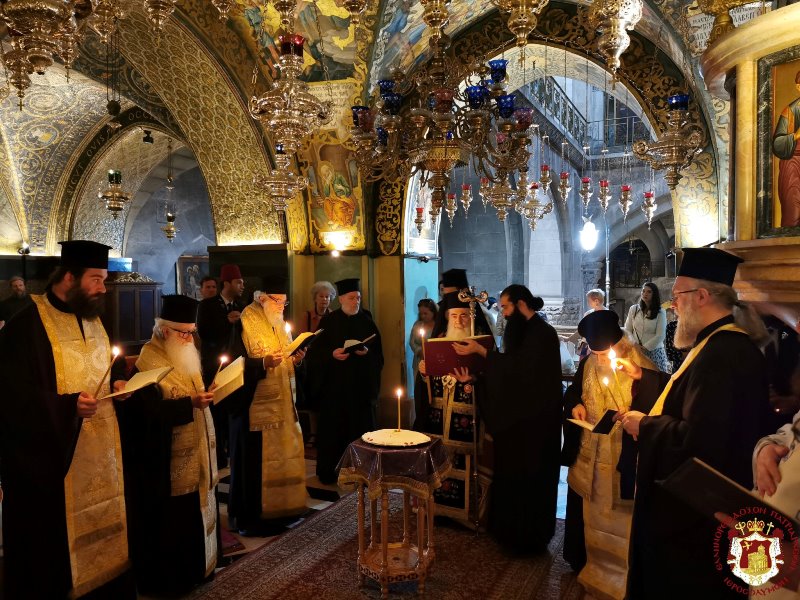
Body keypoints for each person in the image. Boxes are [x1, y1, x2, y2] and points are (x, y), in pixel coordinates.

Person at [618, 248, 772, 598]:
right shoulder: (717, 345)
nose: (672, 305)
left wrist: (645, 427)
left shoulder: (721, 354)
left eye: (677, 296)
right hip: (699, 515)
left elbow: (701, 442)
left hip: (693, 523)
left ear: (702, 296)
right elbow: (688, 402)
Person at [0, 240, 135, 599]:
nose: (102, 288)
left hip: (102, 454)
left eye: (104, 279)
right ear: (69, 277)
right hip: (51, 465)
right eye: (96, 279)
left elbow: (110, 364)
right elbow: (9, 396)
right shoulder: (26, 325)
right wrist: (66, 407)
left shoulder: (94, 320)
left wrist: (121, 381)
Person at [116, 295, 219, 595]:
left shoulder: (184, 354)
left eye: (191, 332)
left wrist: (207, 394)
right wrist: (190, 405)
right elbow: (144, 415)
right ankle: (174, 578)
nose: (189, 339)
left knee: (196, 510)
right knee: (174, 521)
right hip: (165, 463)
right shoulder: (148, 362)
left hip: (196, 450)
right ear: (164, 331)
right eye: (183, 333)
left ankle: (199, 567)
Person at [454, 284, 562, 553]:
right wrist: (476, 380)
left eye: (505, 307)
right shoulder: (521, 332)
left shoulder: (542, 334)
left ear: (521, 304)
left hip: (536, 427)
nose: (502, 313)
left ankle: (530, 538)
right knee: (512, 479)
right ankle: (508, 533)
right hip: (517, 425)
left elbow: (521, 371)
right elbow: (508, 374)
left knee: (531, 484)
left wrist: (481, 353)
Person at [562, 310, 655, 600]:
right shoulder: (589, 362)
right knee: (593, 520)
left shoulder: (638, 361)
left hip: (623, 459)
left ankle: (624, 580)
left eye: (603, 352)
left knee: (621, 522)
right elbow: (573, 393)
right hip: (591, 457)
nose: (599, 356)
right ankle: (593, 569)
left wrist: (635, 414)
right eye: (595, 351)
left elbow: (659, 396)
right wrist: (575, 405)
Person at [227, 275, 308, 534]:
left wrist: (295, 359)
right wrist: (262, 364)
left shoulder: (279, 323)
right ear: (262, 299)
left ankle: (282, 512)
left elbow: (284, 356)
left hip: (282, 408)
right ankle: (251, 517)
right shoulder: (243, 322)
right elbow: (231, 366)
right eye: (277, 302)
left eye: (284, 303)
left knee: (283, 456)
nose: (282, 308)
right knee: (253, 464)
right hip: (253, 411)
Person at [417, 292, 493, 524]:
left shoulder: (482, 345)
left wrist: (473, 381)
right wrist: (424, 374)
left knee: (467, 466)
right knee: (440, 464)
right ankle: (439, 511)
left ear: (471, 318)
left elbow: (495, 380)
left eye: (463, 316)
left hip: (470, 419)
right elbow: (429, 388)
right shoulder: (439, 340)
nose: (459, 321)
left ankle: (468, 514)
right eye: (454, 316)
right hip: (439, 418)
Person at [306, 278, 383, 484]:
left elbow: (378, 356)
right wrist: (332, 354)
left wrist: (366, 352)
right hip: (335, 390)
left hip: (360, 391)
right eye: (351, 298)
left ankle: (363, 472)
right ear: (340, 299)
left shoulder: (367, 320)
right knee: (334, 432)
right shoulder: (329, 322)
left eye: (358, 298)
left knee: (361, 430)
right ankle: (331, 471)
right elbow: (314, 353)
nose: (356, 301)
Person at [198, 263, 246, 469]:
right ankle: (218, 456)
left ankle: (234, 452)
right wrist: (226, 321)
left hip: (235, 367)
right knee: (217, 413)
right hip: (214, 367)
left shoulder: (241, 306)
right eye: (238, 282)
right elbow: (205, 333)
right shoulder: (208, 305)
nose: (242, 286)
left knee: (234, 412)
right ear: (227, 283)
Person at [771, 70, 800, 227]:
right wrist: (795, 136)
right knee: (793, 210)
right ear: (798, 87)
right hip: (793, 163)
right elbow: (777, 144)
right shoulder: (789, 112)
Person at [623, 281, 670, 372]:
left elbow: (660, 335)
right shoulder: (634, 309)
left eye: (649, 292)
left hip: (654, 352)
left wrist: (644, 348)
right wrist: (634, 346)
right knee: (638, 381)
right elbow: (627, 330)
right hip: (636, 351)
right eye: (643, 291)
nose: (645, 294)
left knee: (656, 380)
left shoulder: (660, 312)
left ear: (654, 294)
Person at [409, 297, 437, 427]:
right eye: (421, 313)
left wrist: (430, 351)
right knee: (419, 391)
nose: (423, 316)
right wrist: (420, 350)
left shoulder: (438, 326)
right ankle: (420, 419)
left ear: (433, 312)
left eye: (426, 313)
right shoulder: (417, 325)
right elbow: (412, 342)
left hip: (434, 363)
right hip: (419, 361)